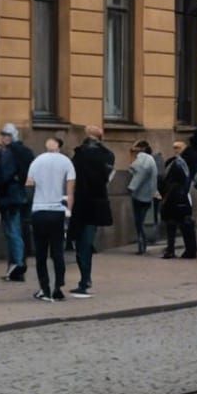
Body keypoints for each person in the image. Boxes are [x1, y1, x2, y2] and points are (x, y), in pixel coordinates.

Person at [26, 137, 76, 302]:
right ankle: (58, 288)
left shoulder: (36, 161)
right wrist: (69, 211)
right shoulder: (66, 162)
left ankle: (44, 288)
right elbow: (70, 192)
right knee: (57, 251)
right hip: (57, 211)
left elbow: (29, 186)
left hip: (39, 210)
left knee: (41, 253)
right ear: (59, 147)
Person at [69, 126, 115, 297]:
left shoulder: (80, 154)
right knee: (86, 242)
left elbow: (72, 177)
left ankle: (85, 280)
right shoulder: (108, 155)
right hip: (96, 203)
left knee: (81, 244)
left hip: (81, 202)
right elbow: (107, 178)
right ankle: (85, 279)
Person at [0, 122, 35, 283]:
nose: (4, 138)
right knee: (17, 231)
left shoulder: (9, 152)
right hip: (21, 195)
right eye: (3, 135)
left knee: (13, 232)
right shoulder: (24, 151)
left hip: (10, 196)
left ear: (12, 137)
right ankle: (15, 267)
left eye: (7, 135)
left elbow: (4, 174)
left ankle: (18, 265)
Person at [158, 142, 197, 260]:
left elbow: (182, 180)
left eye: (178, 147)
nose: (176, 150)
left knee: (177, 224)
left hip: (175, 198)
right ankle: (183, 250)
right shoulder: (178, 162)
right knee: (177, 224)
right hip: (177, 198)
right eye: (174, 147)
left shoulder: (179, 163)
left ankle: (174, 250)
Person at [124, 140, 158, 254]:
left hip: (140, 195)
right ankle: (142, 243)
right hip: (147, 194)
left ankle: (142, 243)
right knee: (141, 220)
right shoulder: (149, 159)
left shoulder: (143, 158)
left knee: (139, 221)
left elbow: (139, 173)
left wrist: (131, 187)